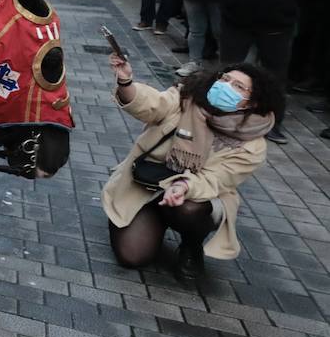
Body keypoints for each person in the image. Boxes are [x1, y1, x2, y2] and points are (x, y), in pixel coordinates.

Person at [103, 54, 277, 282]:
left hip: (196, 197)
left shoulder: (253, 144)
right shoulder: (186, 98)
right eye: (224, 79)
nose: (225, 86)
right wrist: (126, 82)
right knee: (132, 257)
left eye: (238, 86)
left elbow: (217, 179)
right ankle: (146, 214)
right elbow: (153, 104)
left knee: (190, 210)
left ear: (251, 102)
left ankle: (191, 245)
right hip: (147, 184)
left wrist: (184, 186)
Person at [219, 0, 322, 143]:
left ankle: (272, 124)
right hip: (237, 24)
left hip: (277, 29)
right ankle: (220, 115)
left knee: (274, 79)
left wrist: (287, 13)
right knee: (228, 71)